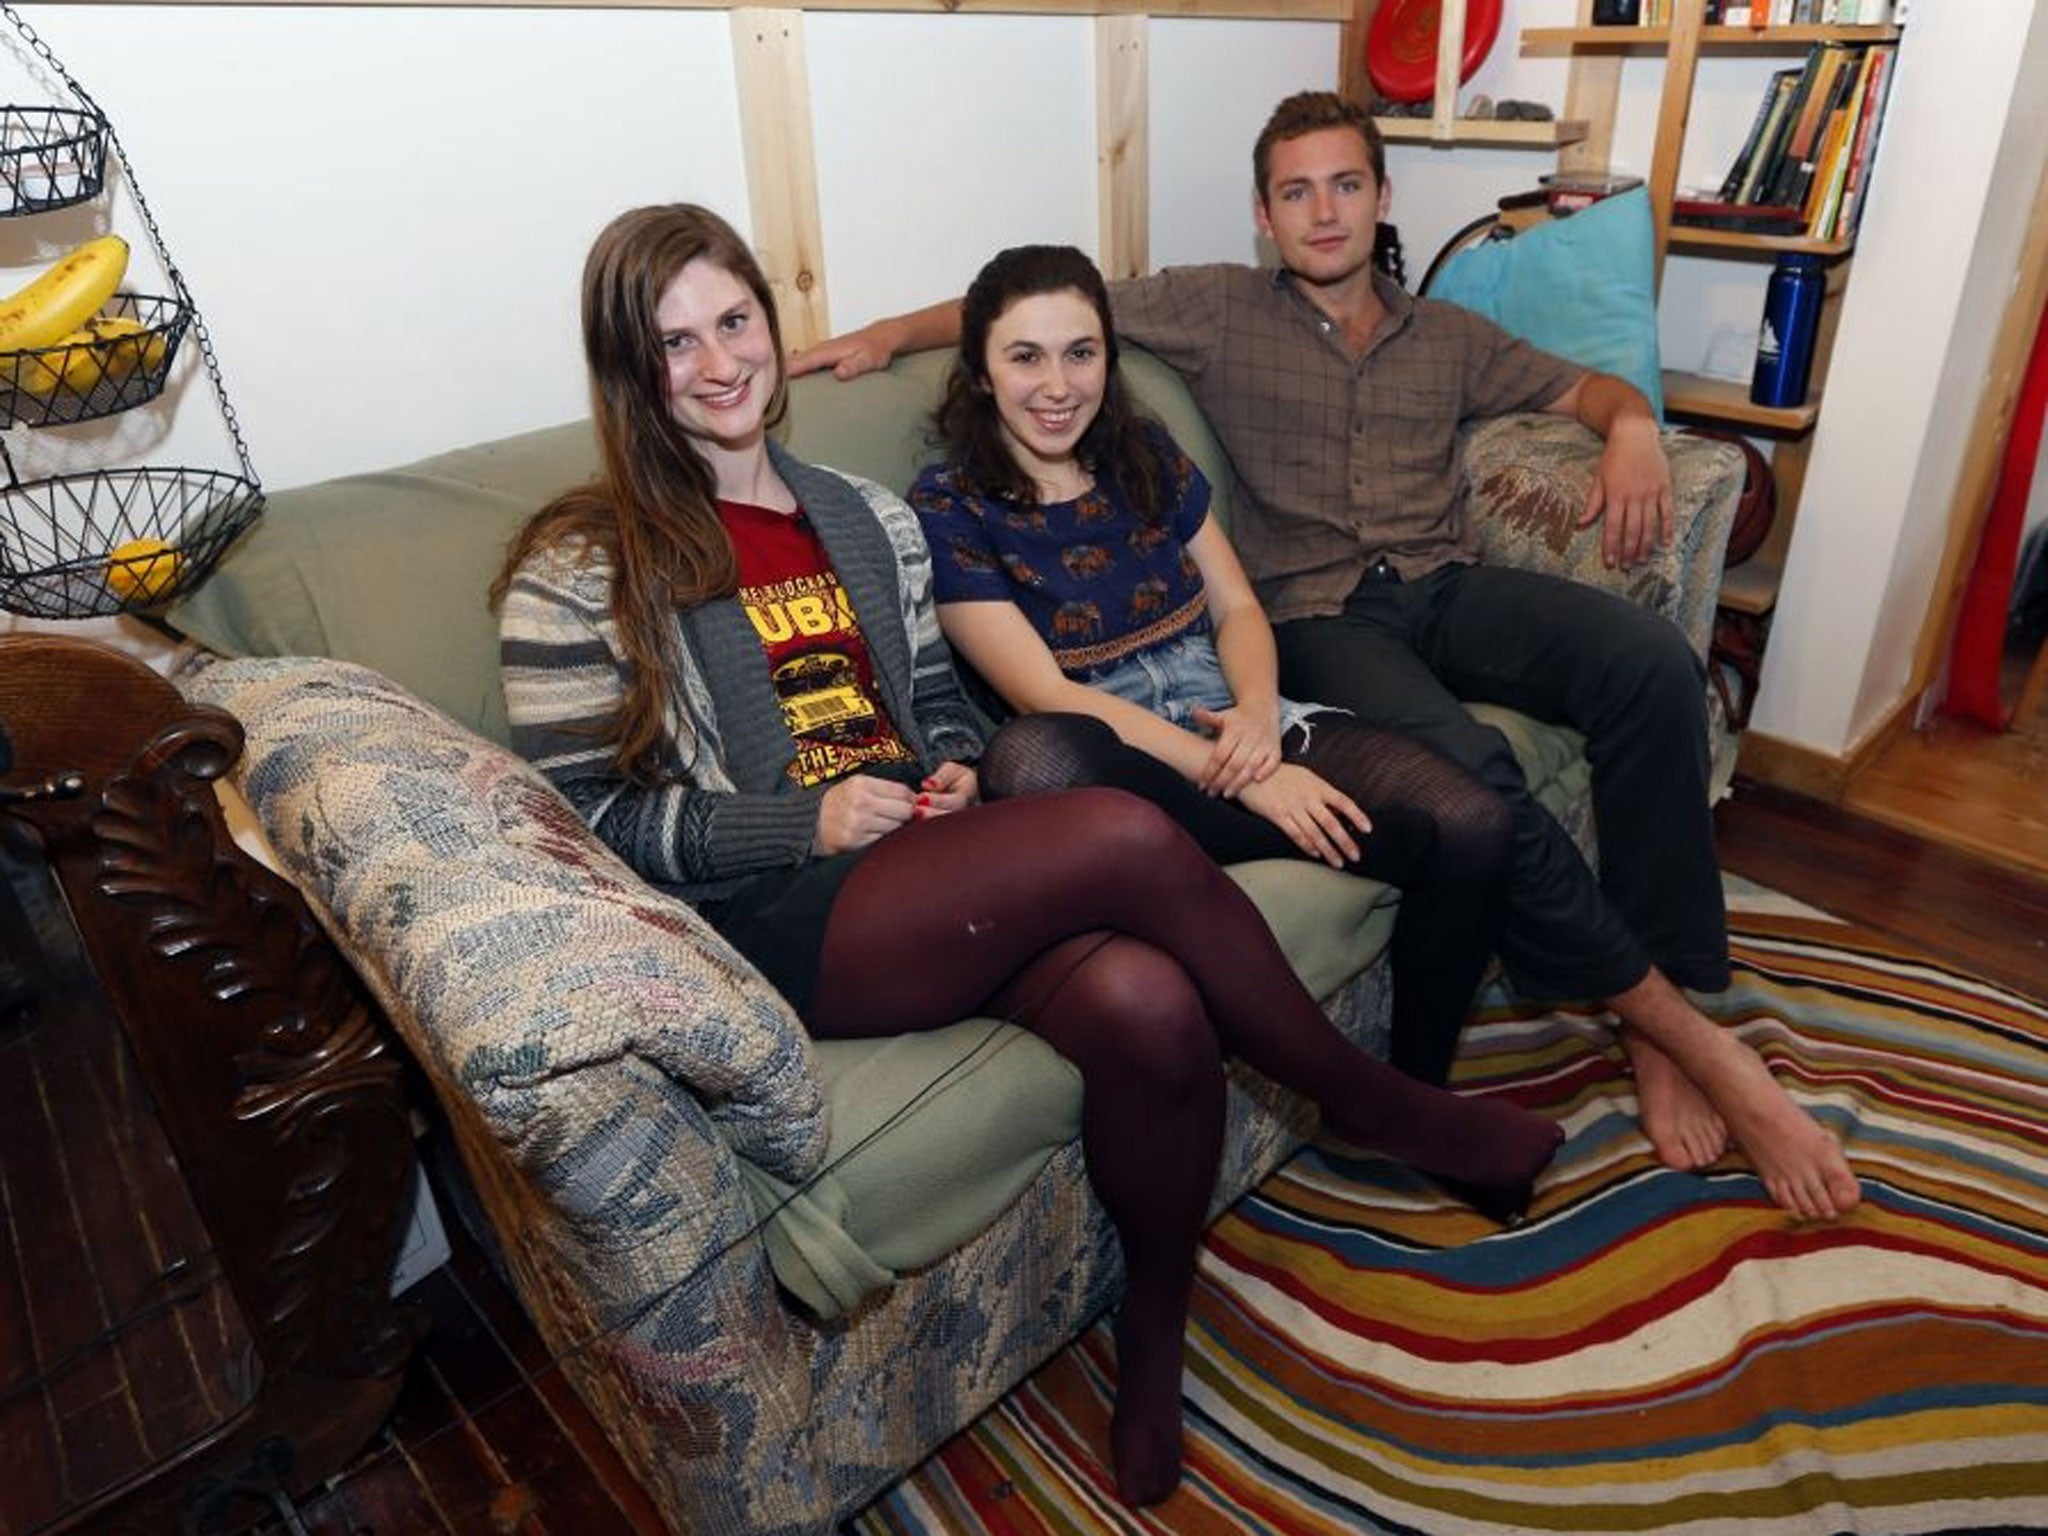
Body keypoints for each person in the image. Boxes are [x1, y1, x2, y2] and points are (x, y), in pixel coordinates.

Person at [492, 203, 1565, 1507]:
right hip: (776, 910)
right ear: (629, 371)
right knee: (1117, 826)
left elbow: (938, 705)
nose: (720, 363)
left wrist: (945, 766)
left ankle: (1154, 1347)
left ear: (769, 325)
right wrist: (803, 821)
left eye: (735, 321)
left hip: (930, 873)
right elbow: (591, 826)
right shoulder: (580, 565)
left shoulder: (865, 518)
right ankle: (1384, 1104)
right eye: (676, 344)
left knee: (1155, 1010)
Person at [789, 92, 1862, 1222]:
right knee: (1417, 780)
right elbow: (1029, 326)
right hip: (1281, 650)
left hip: (1381, 622)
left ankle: (1573, 1037)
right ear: (1263, 213)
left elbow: (1561, 396)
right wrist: (877, 336)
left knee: (1606, 698)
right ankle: (1617, 1053)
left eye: (1344, 183)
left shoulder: (1378, 357)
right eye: (1294, 190)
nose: (1322, 211)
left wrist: (1634, 426)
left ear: (1381, 195)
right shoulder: (1184, 328)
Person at [910, 241, 1513, 1089]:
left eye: (1081, 353)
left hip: (1225, 711)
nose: (1057, 385)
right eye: (1025, 357)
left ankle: (1416, 1091)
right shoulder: (948, 506)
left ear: (1108, 360)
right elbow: (1041, 691)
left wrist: (1260, 721)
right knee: (1032, 758)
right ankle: (1264, 834)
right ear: (980, 372)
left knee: (1475, 822)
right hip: (1112, 756)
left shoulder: (1144, 454)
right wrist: (1247, 782)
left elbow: (1236, 607)